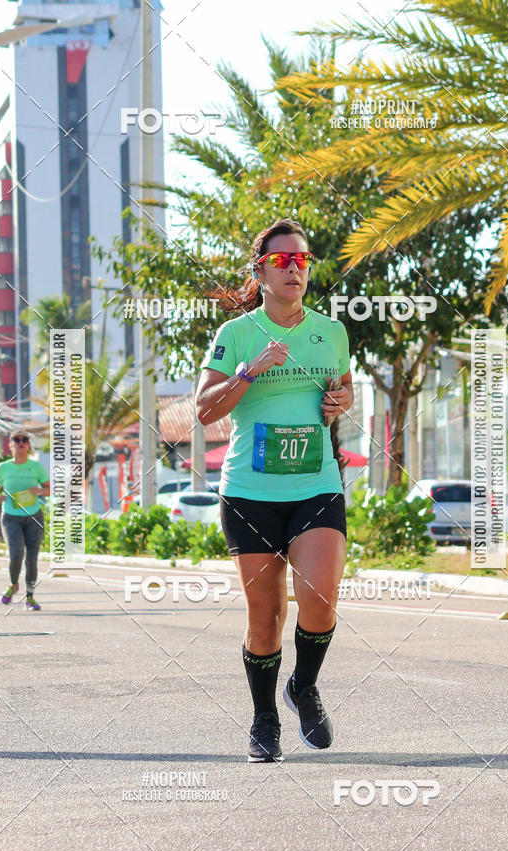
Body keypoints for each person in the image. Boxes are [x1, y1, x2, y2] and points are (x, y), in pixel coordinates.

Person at [196, 218, 353, 762]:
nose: (294, 269)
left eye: (302, 260)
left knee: (321, 599)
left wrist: (341, 402)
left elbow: (342, 387)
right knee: (265, 618)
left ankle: (303, 686)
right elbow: (204, 410)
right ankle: (264, 720)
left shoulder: (332, 333)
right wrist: (250, 371)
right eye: (282, 260)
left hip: (316, 485)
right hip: (250, 492)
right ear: (261, 270)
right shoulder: (236, 334)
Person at [0, 429, 50, 611]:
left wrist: (39, 491)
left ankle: (30, 598)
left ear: (29, 445)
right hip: (10, 518)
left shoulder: (36, 467)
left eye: (25, 440)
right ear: (10, 445)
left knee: (32, 559)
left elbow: (49, 489)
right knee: (16, 554)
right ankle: (13, 584)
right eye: (17, 440)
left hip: (34, 517)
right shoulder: (3, 467)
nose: (21, 443)